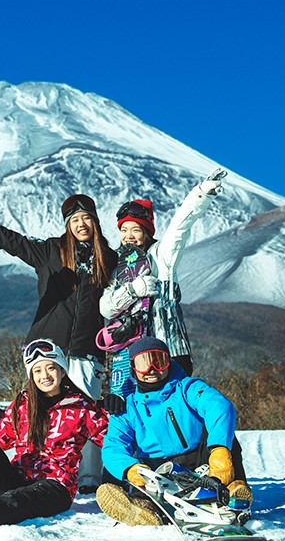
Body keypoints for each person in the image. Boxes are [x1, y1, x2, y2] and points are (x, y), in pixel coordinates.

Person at [0, 194, 117, 491]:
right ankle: (33, 473)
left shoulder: (109, 258)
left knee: (88, 414)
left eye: (87, 218)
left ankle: (90, 484)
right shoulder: (50, 250)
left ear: (95, 221)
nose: (82, 224)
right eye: (75, 220)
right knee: (38, 412)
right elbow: (7, 240)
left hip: (85, 352)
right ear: (67, 225)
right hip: (47, 350)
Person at [0, 339, 108, 525]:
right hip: (17, 477)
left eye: (51, 368)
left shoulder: (82, 408)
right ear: (31, 375)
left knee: (20, 500)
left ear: (62, 370)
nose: (44, 375)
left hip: (55, 487)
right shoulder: (22, 405)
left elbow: (113, 442)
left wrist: (115, 412)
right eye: (37, 370)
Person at [98, 170, 225, 408]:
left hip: (169, 347)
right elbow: (105, 308)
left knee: (178, 408)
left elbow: (180, 227)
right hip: (131, 354)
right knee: (135, 413)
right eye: (123, 230)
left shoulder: (162, 255)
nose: (129, 236)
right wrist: (133, 290)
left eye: (135, 229)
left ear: (147, 232)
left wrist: (201, 194)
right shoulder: (117, 266)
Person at [97, 337, 253, 526]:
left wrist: (219, 450)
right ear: (133, 369)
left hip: (201, 459)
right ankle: (144, 509)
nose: (151, 370)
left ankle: (233, 490)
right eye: (142, 364)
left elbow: (218, 406)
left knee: (225, 437)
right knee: (144, 480)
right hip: (158, 469)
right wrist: (131, 469)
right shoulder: (127, 408)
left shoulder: (187, 387)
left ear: (168, 363)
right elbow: (113, 446)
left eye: (158, 361)